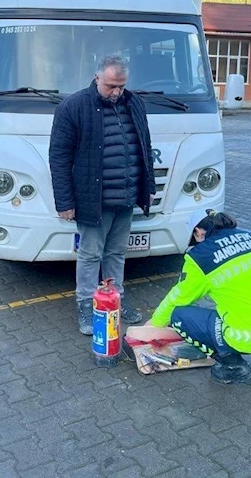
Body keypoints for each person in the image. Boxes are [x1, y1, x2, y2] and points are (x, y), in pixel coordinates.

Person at [49, 54, 156, 335]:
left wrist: (149, 189)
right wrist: (65, 202)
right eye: (111, 86)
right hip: (92, 199)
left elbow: (143, 147)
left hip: (126, 196)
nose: (116, 92)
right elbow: (58, 157)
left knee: (117, 252)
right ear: (97, 78)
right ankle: (86, 303)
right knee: (90, 253)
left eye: (121, 86)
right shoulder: (74, 107)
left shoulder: (134, 103)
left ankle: (114, 299)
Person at [148, 209, 251, 384]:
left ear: (198, 232)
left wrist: (155, 324)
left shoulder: (201, 256)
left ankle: (233, 366)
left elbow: (179, 297)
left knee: (179, 314)